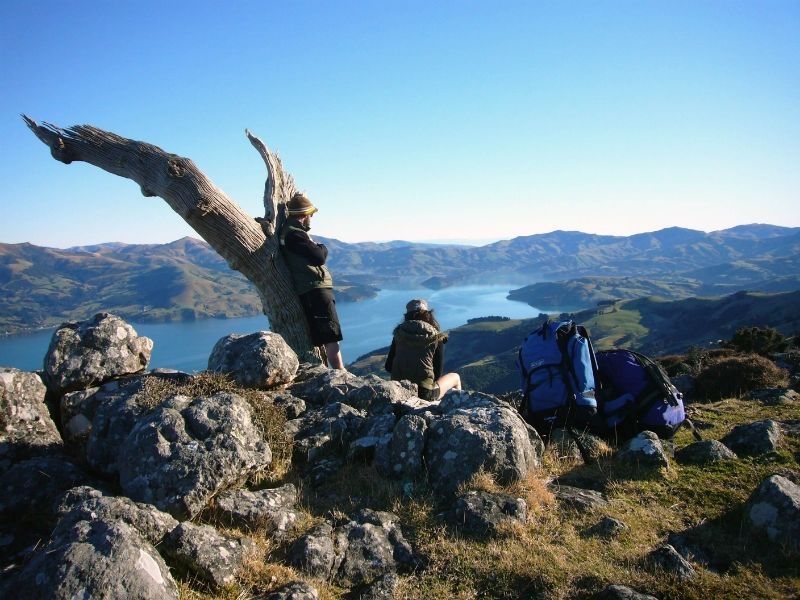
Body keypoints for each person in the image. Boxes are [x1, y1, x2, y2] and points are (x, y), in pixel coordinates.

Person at [279, 192, 344, 369]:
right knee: (331, 334)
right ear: (304, 215)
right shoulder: (294, 234)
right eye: (311, 214)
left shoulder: (292, 232)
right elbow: (318, 257)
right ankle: (340, 372)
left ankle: (331, 371)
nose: (312, 217)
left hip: (311, 289)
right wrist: (321, 246)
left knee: (324, 333)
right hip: (315, 288)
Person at [385, 299, 461, 401]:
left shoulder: (399, 333)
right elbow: (437, 374)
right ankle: (452, 408)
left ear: (407, 315)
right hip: (424, 393)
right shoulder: (436, 337)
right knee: (455, 377)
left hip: (399, 390)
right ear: (428, 315)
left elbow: (388, 367)